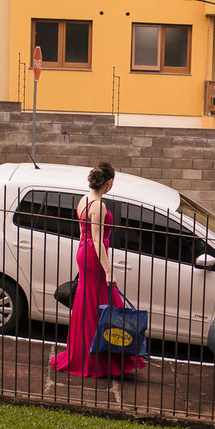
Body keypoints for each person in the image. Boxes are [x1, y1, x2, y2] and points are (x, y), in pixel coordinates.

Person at [51, 162, 146, 378]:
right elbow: (97, 240)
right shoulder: (99, 206)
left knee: (89, 305)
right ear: (109, 182)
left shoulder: (84, 200)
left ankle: (87, 354)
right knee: (104, 305)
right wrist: (109, 270)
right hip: (94, 258)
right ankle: (101, 359)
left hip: (83, 253)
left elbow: (84, 233)